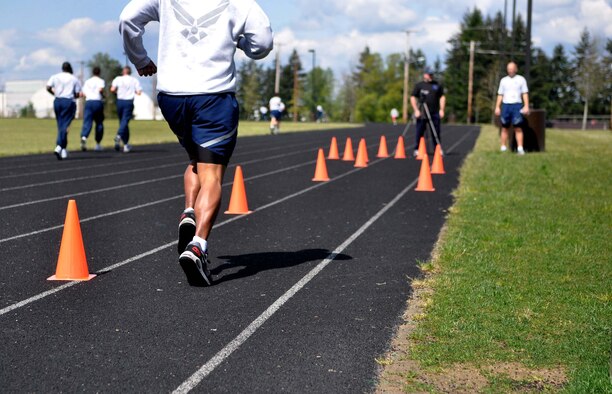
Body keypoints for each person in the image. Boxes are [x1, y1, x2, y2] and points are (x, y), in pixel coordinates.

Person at [119, 0, 273, 285]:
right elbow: (263, 42)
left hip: (171, 96)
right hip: (213, 95)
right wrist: (242, 45)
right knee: (212, 173)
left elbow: (128, 18)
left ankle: (189, 210)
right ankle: (198, 245)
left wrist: (140, 59)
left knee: (195, 160)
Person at [46, 62, 82, 160]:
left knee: (61, 125)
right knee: (65, 126)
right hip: (68, 101)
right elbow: (78, 93)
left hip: (58, 100)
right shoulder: (74, 78)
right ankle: (59, 146)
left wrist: (54, 93)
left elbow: (48, 87)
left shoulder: (55, 76)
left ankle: (63, 149)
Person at [495, 62, 529, 155]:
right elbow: (500, 94)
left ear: (516, 69)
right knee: (504, 127)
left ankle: (520, 148)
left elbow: (525, 93)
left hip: (517, 105)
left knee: (518, 127)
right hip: (506, 105)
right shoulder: (503, 80)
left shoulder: (521, 79)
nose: (510, 70)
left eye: (512, 68)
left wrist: (526, 105)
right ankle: (503, 148)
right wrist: (497, 107)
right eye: (508, 68)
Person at [410, 69, 445, 156]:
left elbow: (442, 97)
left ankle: (437, 148)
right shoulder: (419, 85)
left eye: (431, 74)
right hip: (422, 112)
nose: (430, 76)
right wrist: (416, 110)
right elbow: (413, 97)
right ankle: (417, 149)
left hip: (434, 112)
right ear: (425, 75)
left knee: (436, 131)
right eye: (429, 74)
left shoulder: (437, 85)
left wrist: (442, 109)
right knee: (419, 131)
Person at [110, 66, 142, 153]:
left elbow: (112, 89)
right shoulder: (134, 80)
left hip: (120, 101)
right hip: (128, 102)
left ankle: (126, 144)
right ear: (130, 72)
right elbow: (139, 92)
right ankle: (119, 136)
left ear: (123, 72)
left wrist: (119, 92)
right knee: (125, 121)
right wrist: (132, 91)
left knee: (122, 122)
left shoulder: (118, 79)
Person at [80, 66, 106, 152]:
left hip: (89, 102)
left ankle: (84, 137)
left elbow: (83, 94)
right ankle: (98, 144)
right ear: (99, 72)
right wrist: (104, 96)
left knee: (87, 121)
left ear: (92, 72)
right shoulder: (101, 81)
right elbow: (101, 90)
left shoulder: (87, 81)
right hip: (97, 102)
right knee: (99, 123)